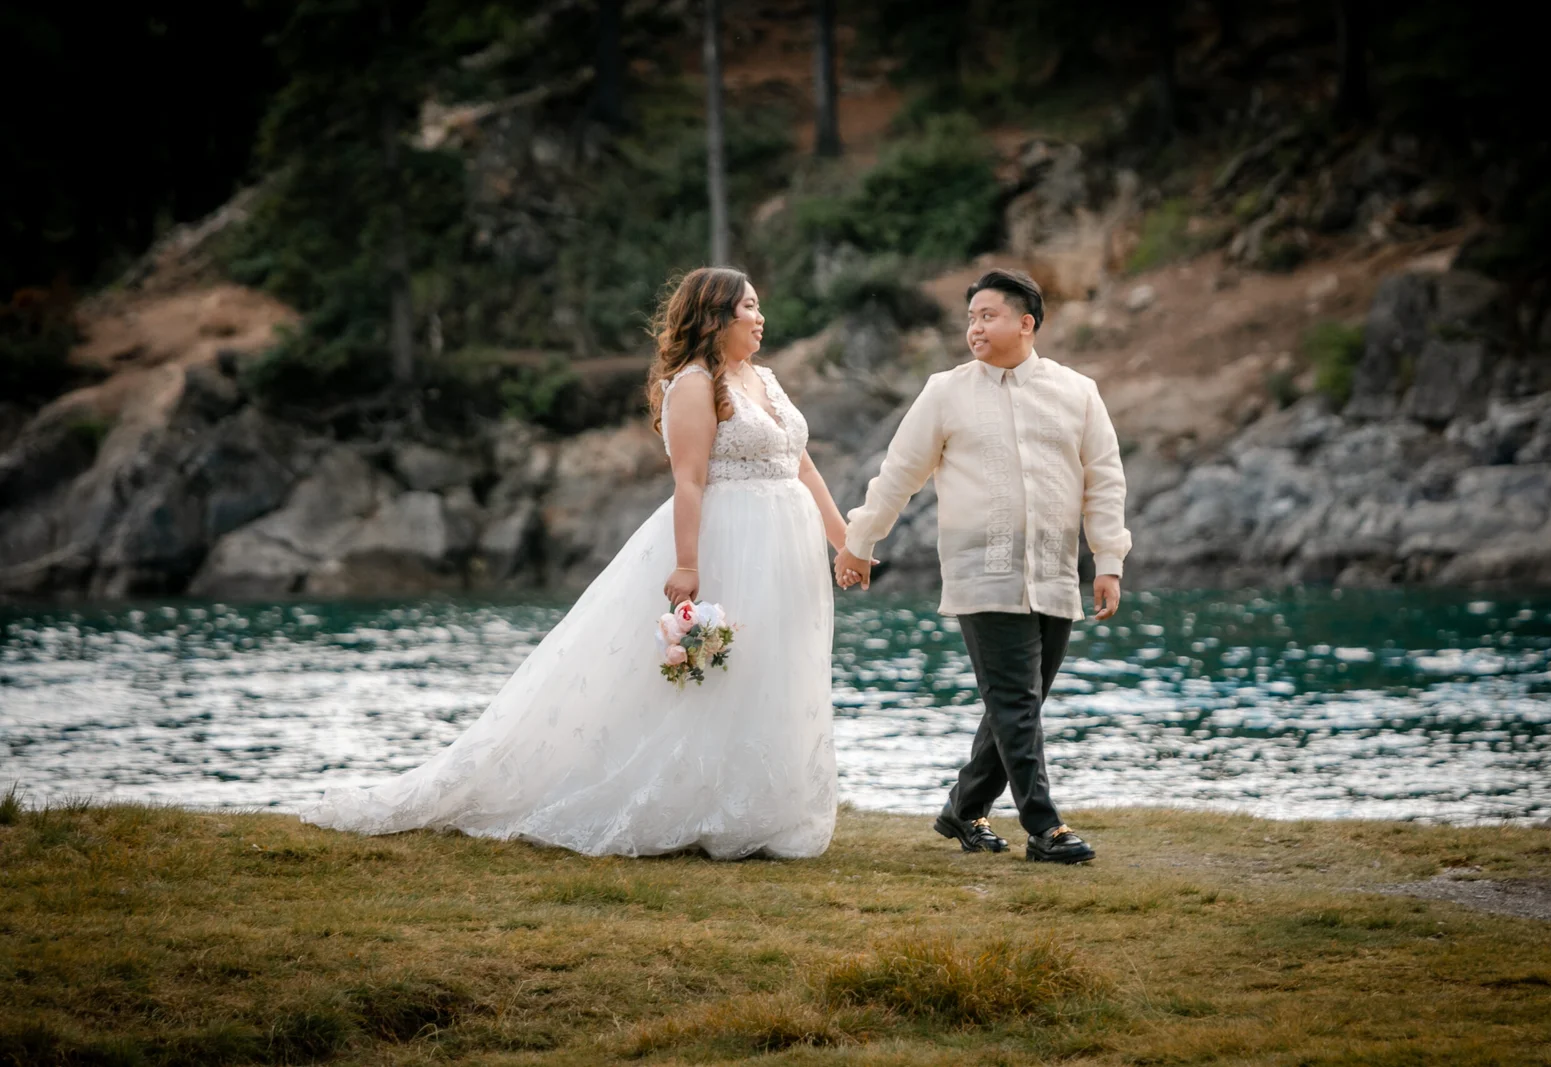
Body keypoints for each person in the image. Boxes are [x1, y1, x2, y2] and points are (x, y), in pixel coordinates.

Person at [302, 267, 850, 859]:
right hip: (728, 541)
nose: (761, 318)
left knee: (772, 668)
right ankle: (694, 804)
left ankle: (760, 808)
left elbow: (802, 465)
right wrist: (688, 566)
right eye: (749, 307)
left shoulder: (764, 379)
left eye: (759, 306)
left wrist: (844, 541)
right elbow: (689, 481)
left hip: (785, 547)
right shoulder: (694, 384)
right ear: (716, 316)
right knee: (714, 672)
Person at [834, 268, 1131, 865]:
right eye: (970, 317)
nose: (975, 327)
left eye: (988, 316)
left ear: (1026, 323)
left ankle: (963, 809)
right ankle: (1045, 828)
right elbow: (899, 473)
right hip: (982, 572)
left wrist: (1109, 560)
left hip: (1054, 573)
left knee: (1017, 706)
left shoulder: (1077, 391)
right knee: (1017, 704)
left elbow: (1104, 480)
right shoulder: (945, 392)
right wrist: (859, 541)